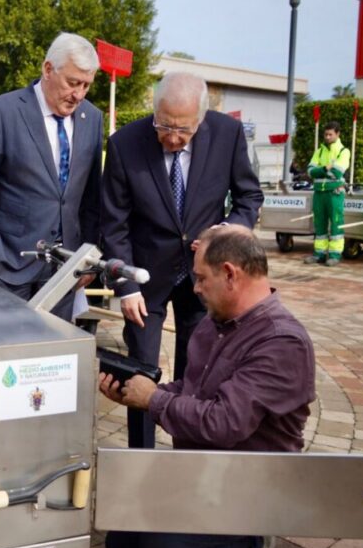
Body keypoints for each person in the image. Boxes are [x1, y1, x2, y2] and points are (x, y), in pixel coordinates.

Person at [99, 225, 315, 548]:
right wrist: (138, 395)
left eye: (201, 278)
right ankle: (206, 529)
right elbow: (190, 391)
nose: (195, 288)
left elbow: (224, 423)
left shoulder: (281, 342)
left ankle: (252, 544)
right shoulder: (214, 322)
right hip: (201, 471)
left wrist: (154, 401)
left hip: (245, 483)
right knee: (122, 545)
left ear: (231, 273)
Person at [101, 72, 263, 449]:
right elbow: (114, 223)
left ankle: (188, 452)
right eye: (164, 126)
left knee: (199, 369)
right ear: (154, 111)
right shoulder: (125, 144)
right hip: (144, 279)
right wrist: (126, 284)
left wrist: (227, 232)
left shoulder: (228, 135)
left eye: (183, 131)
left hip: (203, 278)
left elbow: (248, 198)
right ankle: (140, 454)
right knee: (140, 367)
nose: (172, 138)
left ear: (201, 119)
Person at [0, 32, 103, 319]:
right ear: (48, 69)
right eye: (72, 83)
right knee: (8, 358)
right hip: (9, 266)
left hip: (65, 270)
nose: (78, 94)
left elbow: (91, 197)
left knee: (55, 359)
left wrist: (86, 256)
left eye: (86, 85)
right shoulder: (3, 112)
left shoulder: (92, 118)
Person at [305, 121, 351, 266]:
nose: (327, 137)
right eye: (325, 134)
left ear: (338, 134)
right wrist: (325, 168)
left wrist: (321, 170)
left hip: (334, 192)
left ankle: (335, 255)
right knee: (319, 223)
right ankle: (319, 253)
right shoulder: (319, 151)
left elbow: (337, 172)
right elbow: (310, 172)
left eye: (330, 134)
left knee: (336, 223)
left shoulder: (344, 151)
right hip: (319, 192)